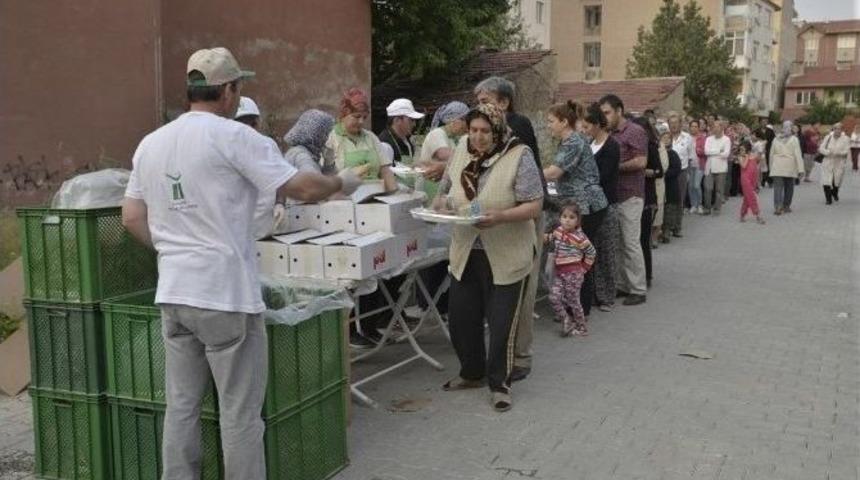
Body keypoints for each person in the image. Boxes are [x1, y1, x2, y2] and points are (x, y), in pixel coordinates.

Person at [121, 47, 363, 480]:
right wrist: (340, 181)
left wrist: (174, 252)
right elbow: (305, 189)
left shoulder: (151, 143)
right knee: (239, 416)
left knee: (181, 407)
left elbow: (131, 217)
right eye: (238, 87)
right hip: (225, 296)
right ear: (229, 91)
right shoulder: (236, 137)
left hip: (174, 293)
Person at [435, 103, 543, 412]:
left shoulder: (518, 154)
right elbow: (444, 190)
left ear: (497, 131)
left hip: (507, 252)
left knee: (501, 324)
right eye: (473, 130)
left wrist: (501, 216)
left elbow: (534, 205)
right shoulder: (461, 150)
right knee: (461, 319)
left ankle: (500, 385)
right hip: (467, 250)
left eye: (485, 131)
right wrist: (439, 205)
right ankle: (472, 373)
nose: (478, 137)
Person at [474, 76, 544, 381]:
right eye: (477, 102)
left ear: (504, 102)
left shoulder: (517, 125)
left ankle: (521, 358)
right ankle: (499, 356)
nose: (480, 107)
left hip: (521, 217)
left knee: (521, 290)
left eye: (485, 101)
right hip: (494, 221)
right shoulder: (483, 129)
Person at [542, 100, 607, 322]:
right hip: (579, 205)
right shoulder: (569, 141)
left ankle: (578, 310)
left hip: (586, 205)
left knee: (575, 258)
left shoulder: (573, 142)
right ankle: (575, 306)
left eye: (551, 121)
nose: (548, 125)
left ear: (564, 122)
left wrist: (527, 174)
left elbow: (553, 173)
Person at [599, 94, 648, 306]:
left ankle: (638, 288)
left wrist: (615, 167)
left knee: (630, 243)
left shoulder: (634, 131)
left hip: (631, 194)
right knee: (617, 243)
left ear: (619, 111)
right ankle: (622, 284)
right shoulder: (608, 134)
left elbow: (641, 161)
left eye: (607, 112)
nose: (604, 117)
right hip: (614, 195)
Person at [581, 103, 620, 311]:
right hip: (589, 205)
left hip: (606, 203)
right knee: (591, 249)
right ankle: (594, 293)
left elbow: (602, 176)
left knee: (606, 251)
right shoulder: (589, 143)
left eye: (587, 126)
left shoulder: (611, 146)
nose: (585, 130)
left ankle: (607, 296)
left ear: (597, 124)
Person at [324, 87, 398, 193]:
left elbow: (385, 170)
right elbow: (326, 176)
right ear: (343, 115)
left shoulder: (371, 137)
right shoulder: (331, 139)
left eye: (364, 117)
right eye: (357, 116)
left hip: (375, 194)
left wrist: (394, 192)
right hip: (344, 197)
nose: (361, 121)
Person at [547, 202, 596, 337]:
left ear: (578, 220)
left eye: (572, 217)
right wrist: (544, 237)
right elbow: (551, 238)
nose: (567, 220)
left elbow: (591, 252)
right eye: (564, 216)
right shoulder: (558, 231)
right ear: (560, 218)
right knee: (554, 297)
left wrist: (584, 268)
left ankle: (581, 327)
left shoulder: (580, 237)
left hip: (573, 274)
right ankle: (567, 320)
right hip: (560, 272)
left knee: (573, 301)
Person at [631, 117, 662, 285]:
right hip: (633, 195)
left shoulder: (651, 147)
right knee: (632, 240)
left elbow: (659, 171)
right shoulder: (632, 148)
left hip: (647, 196)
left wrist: (643, 171)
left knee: (643, 238)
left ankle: (647, 275)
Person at [283, 109, 335, 173]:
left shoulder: (305, 152)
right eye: (326, 133)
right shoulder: (302, 156)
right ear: (316, 133)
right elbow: (315, 179)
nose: (327, 138)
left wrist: (329, 163)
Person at [769, 120, 805, 215]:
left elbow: (771, 154)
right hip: (790, 166)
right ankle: (786, 206)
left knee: (778, 188)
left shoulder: (776, 139)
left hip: (777, 166)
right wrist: (801, 170)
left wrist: (771, 167)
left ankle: (778, 207)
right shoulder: (794, 139)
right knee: (789, 187)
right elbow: (798, 155)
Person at [378, 98, 425, 166]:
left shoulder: (407, 141)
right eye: (411, 120)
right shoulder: (385, 144)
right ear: (397, 120)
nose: (414, 124)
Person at [669, 113, 694, 234]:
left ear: (680, 124)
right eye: (671, 123)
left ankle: (677, 226)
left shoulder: (687, 137)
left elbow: (690, 157)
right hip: (667, 173)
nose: (673, 125)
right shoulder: (665, 137)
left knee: (679, 198)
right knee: (668, 199)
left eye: (676, 123)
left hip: (681, 172)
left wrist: (688, 173)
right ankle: (667, 226)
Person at [659, 127, 683, 243]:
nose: (666, 140)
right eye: (664, 138)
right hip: (659, 184)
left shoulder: (673, 154)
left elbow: (676, 169)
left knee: (670, 209)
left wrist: (664, 174)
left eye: (668, 138)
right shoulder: (658, 153)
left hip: (670, 184)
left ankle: (668, 231)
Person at [703, 119, 731, 215]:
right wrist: (719, 151)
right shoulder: (708, 139)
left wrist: (713, 152)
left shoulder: (726, 139)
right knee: (707, 188)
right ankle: (707, 207)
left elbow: (726, 154)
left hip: (721, 168)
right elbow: (706, 152)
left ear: (722, 127)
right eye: (713, 127)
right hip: (710, 167)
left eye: (717, 126)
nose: (715, 128)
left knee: (719, 190)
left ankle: (717, 208)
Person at [818, 122, 851, 205]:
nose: (837, 130)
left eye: (839, 129)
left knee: (836, 181)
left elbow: (846, 151)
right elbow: (821, 148)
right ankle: (828, 199)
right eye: (836, 129)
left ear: (842, 130)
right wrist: (828, 152)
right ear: (833, 129)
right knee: (826, 180)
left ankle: (835, 192)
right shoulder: (828, 137)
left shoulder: (846, 139)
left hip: (839, 163)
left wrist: (838, 153)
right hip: (828, 162)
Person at [737, 141, 766, 224]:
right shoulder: (740, 157)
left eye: (743, 149)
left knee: (747, 197)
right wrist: (746, 157)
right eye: (740, 149)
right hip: (745, 179)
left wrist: (761, 152)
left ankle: (742, 214)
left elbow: (759, 161)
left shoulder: (753, 155)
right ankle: (758, 215)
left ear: (748, 149)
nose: (741, 151)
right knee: (752, 196)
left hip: (753, 178)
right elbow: (744, 166)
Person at [689, 120, 707, 214]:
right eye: (692, 126)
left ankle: (700, 205)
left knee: (696, 185)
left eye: (696, 126)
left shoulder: (702, 138)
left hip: (699, 165)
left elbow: (705, 151)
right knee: (691, 186)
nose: (694, 128)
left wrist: (699, 150)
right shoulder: (687, 138)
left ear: (699, 128)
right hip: (689, 165)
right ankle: (693, 205)